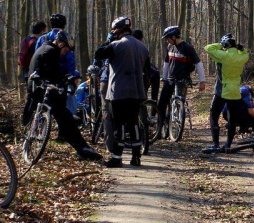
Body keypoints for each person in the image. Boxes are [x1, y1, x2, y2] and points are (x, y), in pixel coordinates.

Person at [26, 31, 102, 161]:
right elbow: (50, 71)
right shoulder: (51, 51)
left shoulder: (44, 47)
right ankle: (82, 148)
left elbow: (46, 70)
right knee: (65, 118)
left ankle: (80, 146)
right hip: (44, 91)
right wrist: (65, 79)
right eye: (65, 49)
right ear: (61, 44)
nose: (65, 53)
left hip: (36, 89)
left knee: (65, 117)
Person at [95, 17, 150, 168]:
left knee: (119, 124)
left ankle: (117, 157)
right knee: (133, 123)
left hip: (119, 90)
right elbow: (147, 71)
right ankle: (136, 157)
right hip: (137, 91)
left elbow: (98, 54)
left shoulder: (115, 45)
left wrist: (108, 40)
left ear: (117, 30)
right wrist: (145, 90)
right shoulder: (143, 47)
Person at [203, 34, 249, 153]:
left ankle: (215, 144)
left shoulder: (223, 55)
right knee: (231, 119)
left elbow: (208, 48)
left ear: (226, 45)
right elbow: (246, 54)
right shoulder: (241, 57)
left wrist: (221, 44)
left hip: (222, 90)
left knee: (214, 115)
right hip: (235, 91)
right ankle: (228, 145)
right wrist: (241, 49)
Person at [157, 26, 206, 128]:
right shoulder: (170, 47)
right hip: (170, 79)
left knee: (180, 101)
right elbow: (166, 63)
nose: (167, 41)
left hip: (182, 80)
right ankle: (160, 126)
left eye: (168, 38)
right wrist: (164, 77)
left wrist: (202, 81)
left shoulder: (187, 48)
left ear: (174, 37)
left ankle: (177, 122)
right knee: (162, 103)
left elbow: (198, 64)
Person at [35, 13, 81, 116]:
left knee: (43, 100)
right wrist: (71, 75)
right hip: (61, 76)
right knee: (62, 102)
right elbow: (70, 59)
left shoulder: (43, 38)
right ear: (64, 24)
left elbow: (37, 55)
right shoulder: (65, 39)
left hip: (44, 74)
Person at [132, 29, 160, 103]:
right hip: (149, 73)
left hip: (148, 74)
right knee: (145, 97)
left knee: (142, 97)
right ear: (141, 38)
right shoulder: (142, 47)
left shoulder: (134, 47)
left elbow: (146, 65)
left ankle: (150, 111)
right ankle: (152, 110)